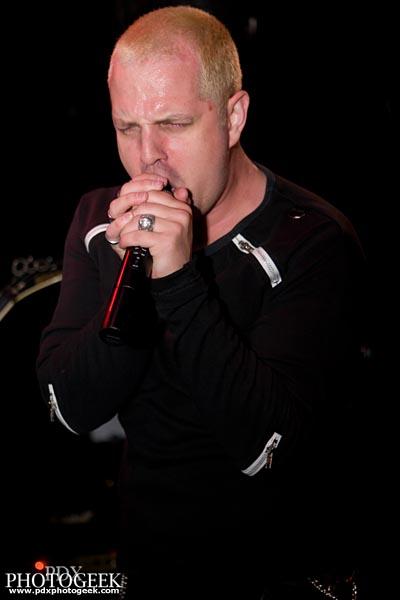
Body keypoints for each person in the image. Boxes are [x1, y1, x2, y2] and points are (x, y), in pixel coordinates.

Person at [37, 6, 367, 599]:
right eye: (127, 128)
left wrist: (179, 278)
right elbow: (70, 409)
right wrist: (131, 271)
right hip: (149, 562)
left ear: (234, 117)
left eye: (174, 123)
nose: (149, 157)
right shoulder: (101, 220)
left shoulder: (310, 240)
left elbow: (266, 451)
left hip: (281, 576)